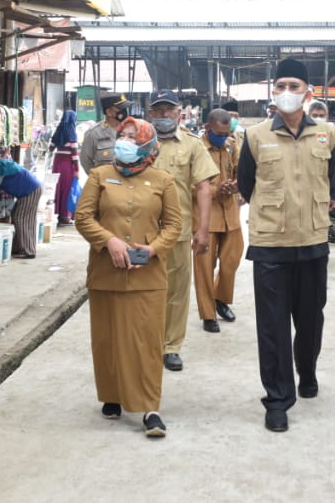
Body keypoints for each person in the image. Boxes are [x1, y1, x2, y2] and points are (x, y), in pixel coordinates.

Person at [237, 58, 335, 433]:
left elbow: (328, 181)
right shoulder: (254, 135)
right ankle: (278, 399)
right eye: (280, 86)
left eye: (294, 86)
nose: (286, 93)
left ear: (308, 93)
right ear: (273, 92)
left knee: (311, 320)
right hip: (270, 244)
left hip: (313, 240)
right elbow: (246, 185)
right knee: (273, 326)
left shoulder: (328, 134)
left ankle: (307, 371)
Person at [73, 118, 183, 438]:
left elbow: (174, 225)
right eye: (122, 136)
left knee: (147, 341)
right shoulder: (100, 176)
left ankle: (150, 408)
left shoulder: (163, 180)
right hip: (105, 271)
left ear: (148, 143)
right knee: (107, 338)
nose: (125, 141)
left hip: (147, 273)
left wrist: (152, 250)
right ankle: (111, 395)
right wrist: (109, 241)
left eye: (133, 137)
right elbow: (83, 217)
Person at [147, 89, 217, 372]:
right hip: (143, 231)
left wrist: (203, 229)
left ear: (179, 112)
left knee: (176, 291)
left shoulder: (192, 145)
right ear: (151, 112)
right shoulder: (137, 141)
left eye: (169, 109)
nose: (164, 114)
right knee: (145, 289)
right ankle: (147, 342)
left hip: (178, 230)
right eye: (159, 109)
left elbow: (203, 187)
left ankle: (171, 346)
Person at [195, 108, 244, 333]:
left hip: (230, 212)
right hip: (206, 216)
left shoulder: (231, 145)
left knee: (231, 260)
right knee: (204, 266)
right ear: (207, 128)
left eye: (226, 133)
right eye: (218, 133)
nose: (222, 137)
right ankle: (207, 314)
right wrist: (216, 190)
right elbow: (188, 184)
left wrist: (235, 185)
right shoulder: (196, 148)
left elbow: (239, 172)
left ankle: (221, 298)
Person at [0, 147, 44, 258]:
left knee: (20, 218)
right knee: (23, 217)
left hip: (29, 191)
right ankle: (20, 248)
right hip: (33, 188)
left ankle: (28, 250)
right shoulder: (1, 163)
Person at [79, 93, 128, 174]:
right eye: (121, 108)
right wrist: (97, 179)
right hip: (105, 183)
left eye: (125, 108)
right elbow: (85, 161)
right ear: (109, 112)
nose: (125, 111)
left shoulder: (131, 130)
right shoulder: (94, 133)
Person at [49, 109, 80, 226]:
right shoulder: (72, 132)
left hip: (57, 163)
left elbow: (51, 148)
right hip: (67, 165)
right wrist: (77, 169)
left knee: (57, 188)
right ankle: (65, 216)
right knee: (67, 189)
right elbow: (75, 155)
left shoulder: (58, 131)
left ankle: (55, 213)